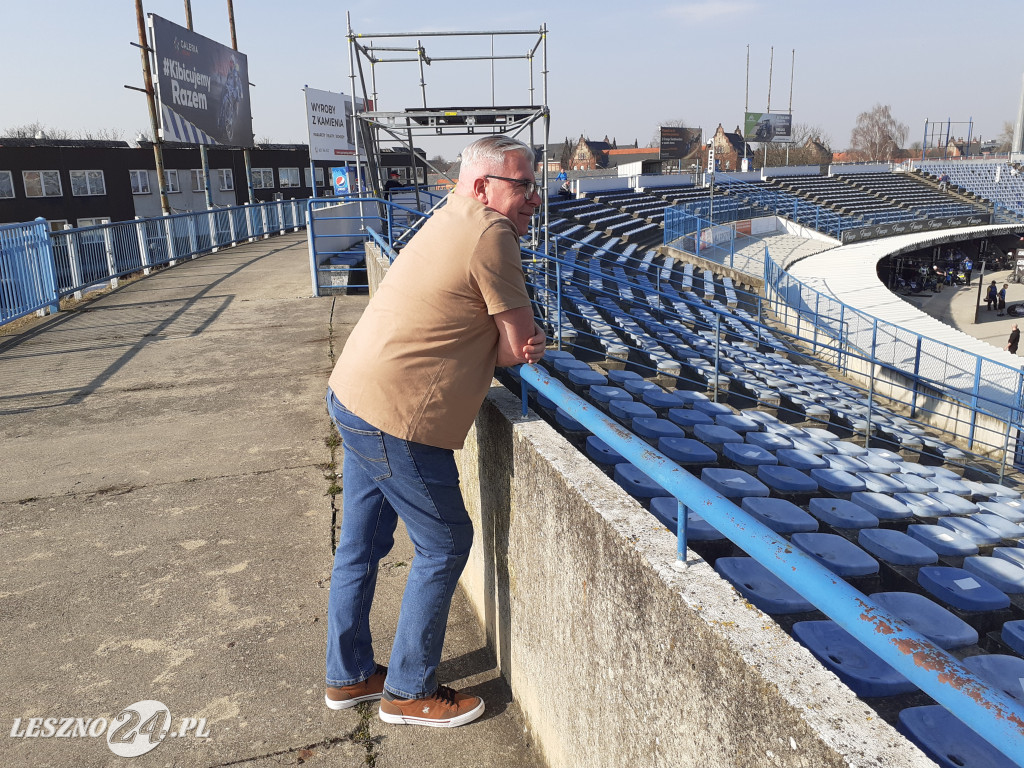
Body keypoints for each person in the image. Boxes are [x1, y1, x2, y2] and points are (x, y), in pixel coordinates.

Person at [323, 135, 545, 728]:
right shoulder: (491, 233)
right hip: (397, 416)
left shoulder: (450, 214)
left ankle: (347, 677)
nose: (534, 198)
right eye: (522, 184)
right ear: (482, 186)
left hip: (353, 393)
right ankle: (407, 689)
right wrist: (524, 343)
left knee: (360, 547)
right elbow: (517, 348)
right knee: (446, 541)